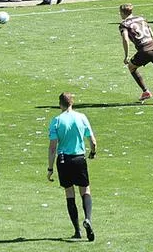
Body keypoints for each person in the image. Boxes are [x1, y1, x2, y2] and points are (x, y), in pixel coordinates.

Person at [46, 92, 97, 242]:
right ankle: (88, 218)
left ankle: (77, 230)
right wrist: (93, 152)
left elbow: (52, 148)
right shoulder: (81, 117)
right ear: (72, 103)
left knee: (69, 193)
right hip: (79, 158)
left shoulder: (56, 121)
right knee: (85, 190)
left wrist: (50, 169)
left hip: (63, 160)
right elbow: (93, 141)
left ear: (60, 104)